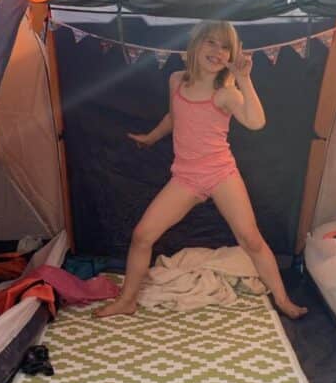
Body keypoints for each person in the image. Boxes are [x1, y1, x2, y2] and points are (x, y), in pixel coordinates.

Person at [95, 20, 307, 320]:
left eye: (225, 47)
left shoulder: (226, 93)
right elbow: (174, 116)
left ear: (231, 56)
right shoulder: (177, 81)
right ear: (195, 45)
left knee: (251, 239)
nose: (217, 52)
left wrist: (244, 79)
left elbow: (256, 122)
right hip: (186, 177)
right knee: (142, 235)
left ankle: (283, 300)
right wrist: (151, 138)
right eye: (211, 43)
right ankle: (127, 300)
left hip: (221, 173)